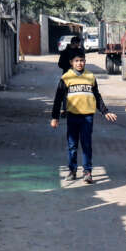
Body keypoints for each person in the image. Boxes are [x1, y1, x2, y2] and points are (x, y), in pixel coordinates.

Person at [51, 53, 117, 184]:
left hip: (87, 117)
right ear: (71, 62)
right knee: (72, 145)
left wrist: (105, 111)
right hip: (72, 116)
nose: (79, 63)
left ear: (85, 62)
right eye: (76, 61)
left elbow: (97, 96)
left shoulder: (90, 77)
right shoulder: (66, 78)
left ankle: (87, 172)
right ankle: (72, 171)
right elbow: (58, 99)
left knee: (86, 144)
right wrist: (55, 117)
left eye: (82, 61)